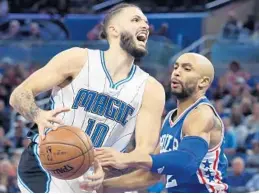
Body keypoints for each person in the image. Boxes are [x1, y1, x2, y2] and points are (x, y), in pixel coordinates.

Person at [9, 3, 165, 193]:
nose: (145, 26)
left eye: (146, 22)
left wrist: (118, 163)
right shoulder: (78, 59)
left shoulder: (152, 89)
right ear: (113, 30)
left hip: (98, 176)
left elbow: (144, 152)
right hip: (49, 166)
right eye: (136, 20)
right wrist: (38, 115)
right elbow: (19, 94)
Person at [95, 53, 229, 193]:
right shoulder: (171, 117)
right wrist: (99, 186)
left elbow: (188, 162)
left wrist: (127, 158)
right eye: (176, 67)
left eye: (186, 69)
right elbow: (149, 176)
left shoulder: (201, 114)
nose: (176, 72)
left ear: (203, 82)